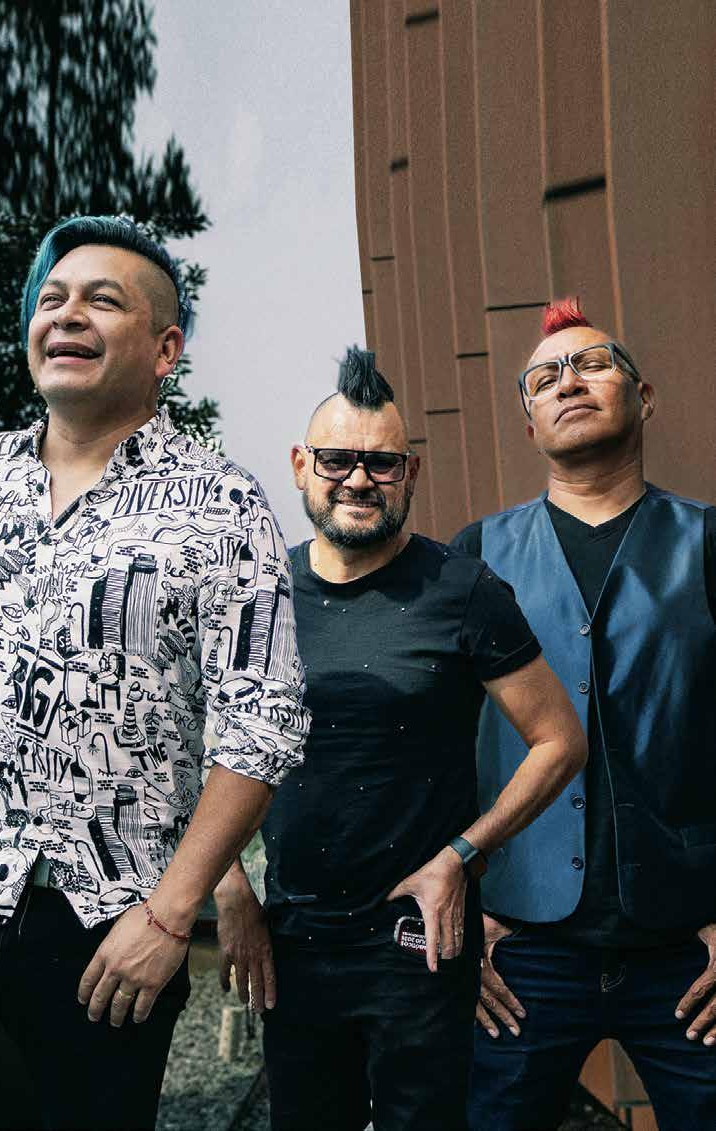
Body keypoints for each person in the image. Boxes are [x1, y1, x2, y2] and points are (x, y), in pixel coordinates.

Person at [0, 215, 310, 1130]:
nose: (66, 314)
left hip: (110, 923)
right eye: (51, 298)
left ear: (165, 349)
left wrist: (171, 917)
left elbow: (261, 727)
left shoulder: (221, 503)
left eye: (101, 300)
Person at [214, 347, 587, 1131]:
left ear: (409, 473)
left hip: (418, 939)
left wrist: (462, 855)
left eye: (380, 463)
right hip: (295, 939)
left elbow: (558, 740)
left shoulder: (462, 588)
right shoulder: (259, 599)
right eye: (337, 459)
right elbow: (197, 746)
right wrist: (228, 884)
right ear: (301, 465)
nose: (359, 479)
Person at [453, 299, 716, 1131]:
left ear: (644, 397)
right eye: (544, 377)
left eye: (593, 364)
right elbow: (437, 747)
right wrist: (465, 908)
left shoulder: (706, 540)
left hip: (689, 943)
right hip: (523, 944)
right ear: (528, 422)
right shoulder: (476, 555)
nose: (568, 381)